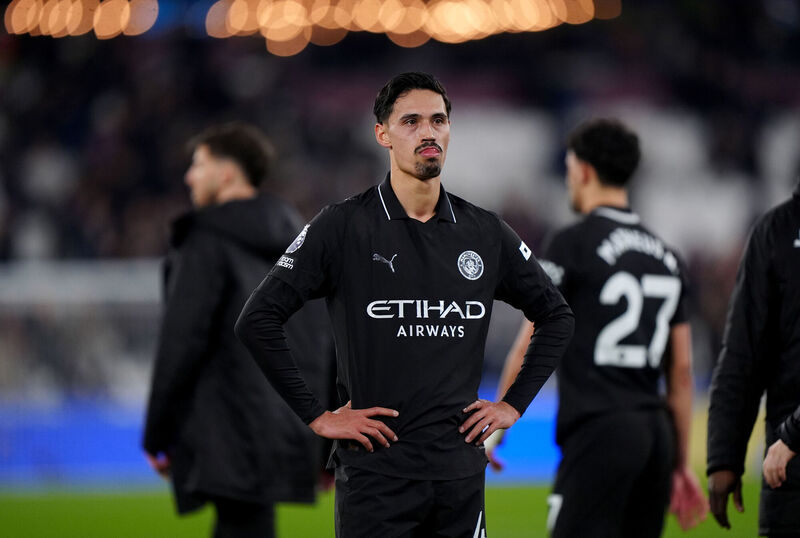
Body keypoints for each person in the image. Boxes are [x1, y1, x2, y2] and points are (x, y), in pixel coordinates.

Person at [235, 72, 574, 538]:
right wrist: (317, 415)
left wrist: (513, 405)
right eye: (411, 121)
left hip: (459, 478)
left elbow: (556, 315)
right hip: (376, 482)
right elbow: (257, 320)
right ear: (382, 134)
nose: (428, 132)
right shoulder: (343, 227)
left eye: (438, 120)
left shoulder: (484, 232)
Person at [487, 118, 708, 537]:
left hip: (599, 431)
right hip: (655, 437)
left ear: (584, 171)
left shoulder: (571, 243)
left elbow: (531, 340)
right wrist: (679, 463)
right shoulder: (667, 256)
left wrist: (496, 428)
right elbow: (680, 373)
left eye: (570, 169)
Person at [142, 122, 332, 538]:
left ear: (227, 174)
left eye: (199, 164)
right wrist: (326, 444)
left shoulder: (206, 241)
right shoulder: (301, 245)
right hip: (285, 428)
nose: (190, 176)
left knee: (241, 525)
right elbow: (325, 342)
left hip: (224, 431)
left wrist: (157, 434)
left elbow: (182, 342)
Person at [707, 181, 800, 536]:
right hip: (788, 465)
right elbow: (743, 354)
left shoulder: (776, 230)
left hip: (789, 451)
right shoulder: (774, 231)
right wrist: (724, 453)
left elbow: (742, 355)